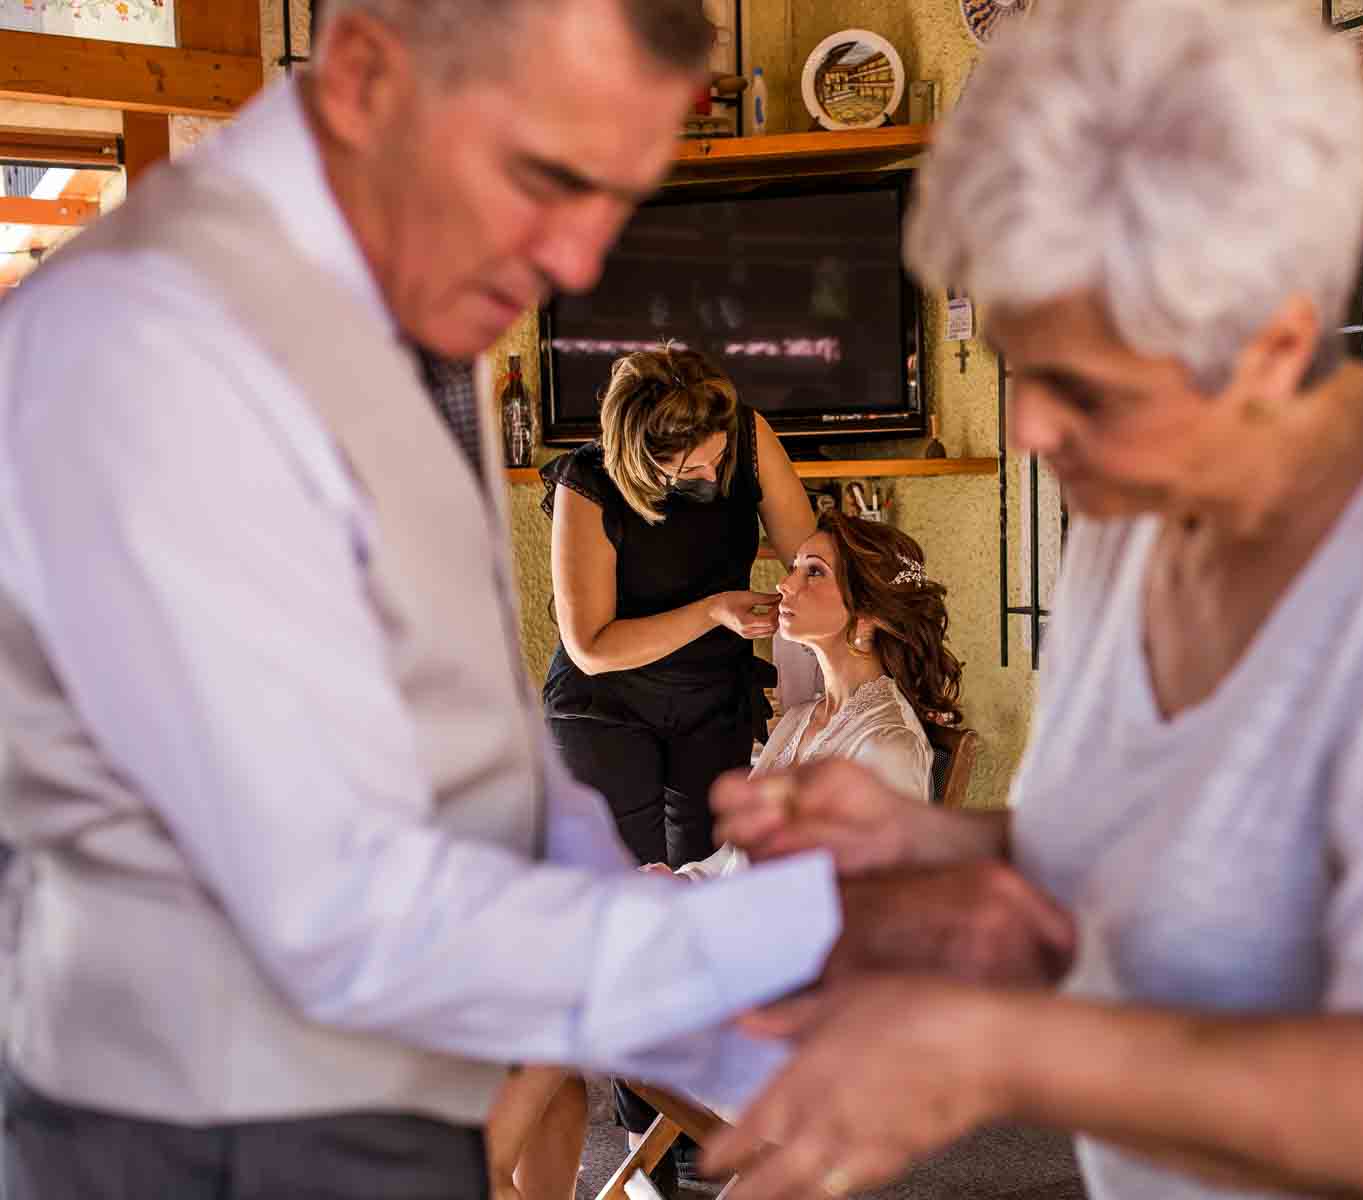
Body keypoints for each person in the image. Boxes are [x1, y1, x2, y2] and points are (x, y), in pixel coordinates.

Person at [0, 0, 1074, 1196]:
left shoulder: (413, 315)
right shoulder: (151, 348)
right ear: (361, 73)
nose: (570, 263)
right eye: (545, 175)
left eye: (609, 198)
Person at [701, 2, 1363, 1198]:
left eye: (1087, 387)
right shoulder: (1135, 507)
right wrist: (934, 839)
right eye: (1018, 359)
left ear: (1272, 346)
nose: (1030, 429)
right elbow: (1175, 849)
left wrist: (1004, 1051)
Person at [493, 346, 816, 1197]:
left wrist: (832, 607)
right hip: (603, 716)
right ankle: (649, 1147)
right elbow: (591, 646)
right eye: (690, 465)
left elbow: (804, 545)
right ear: (639, 456)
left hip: (713, 701)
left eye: (717, 454)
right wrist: (712, 609)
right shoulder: (586, 486)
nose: (713, 471)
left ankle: (677, 1115)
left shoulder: (743, 434)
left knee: (695, 915)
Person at [673, 510, 960, 881]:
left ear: (868, 611)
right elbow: (735, 856)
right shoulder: (799, 720)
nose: (785, 585)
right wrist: (683, 879)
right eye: (794, 568)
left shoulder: (889, 746)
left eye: (814, 572)